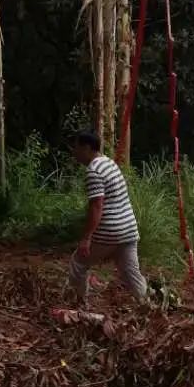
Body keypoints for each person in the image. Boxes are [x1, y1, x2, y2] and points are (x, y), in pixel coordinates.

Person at [69, 130, 148, 304]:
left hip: (110, 231)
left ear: (87, 148)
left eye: (76, 148)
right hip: (128, 229)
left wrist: (86, 238)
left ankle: (80, 304)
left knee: (78, 263)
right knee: (131, 273)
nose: (74, 152)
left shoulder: (93, 171)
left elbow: (97, 206)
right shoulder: (109, 163)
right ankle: (149, 307)